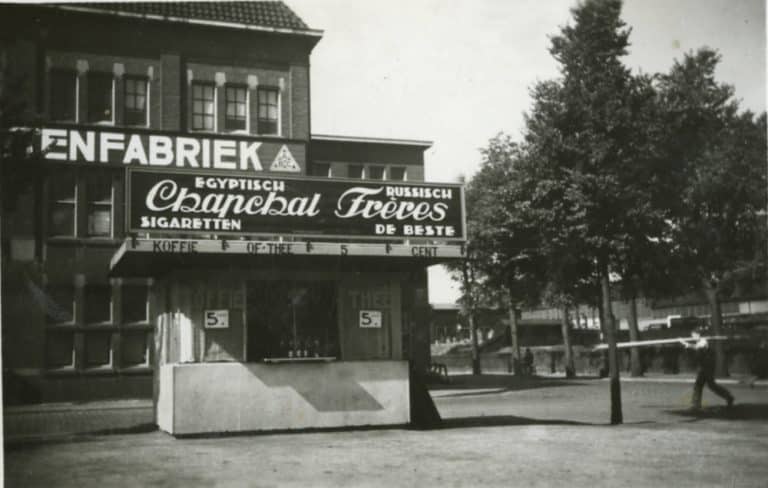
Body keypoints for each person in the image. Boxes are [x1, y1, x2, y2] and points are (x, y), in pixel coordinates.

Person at [679, 328, 734, 410]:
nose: (693, 337)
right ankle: (696, 405)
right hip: (703, 366)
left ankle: (728, 397)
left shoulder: (704, 341)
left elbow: (697, 347)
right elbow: (696, 350)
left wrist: (685, 343)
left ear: (698, 334)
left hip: (708, 367)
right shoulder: (699, 342)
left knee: (708, 385)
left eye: (693, 335)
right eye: (692, 336)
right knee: (701, 385)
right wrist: (687, 345)